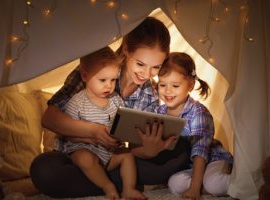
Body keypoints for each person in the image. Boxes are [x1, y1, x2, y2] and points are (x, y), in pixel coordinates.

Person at [30, 17, 190, 198]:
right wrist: (93, 131)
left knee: (181, 150)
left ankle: (109, 183)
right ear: (126, 49)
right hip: (78, 157)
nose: (146, 74)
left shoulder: (150, 94)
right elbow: (50, 118)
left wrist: (148, 151)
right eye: (140, 64)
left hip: (116, 159)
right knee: (44, 170)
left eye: (156, 67)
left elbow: (131, 148)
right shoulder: (96, 67)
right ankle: (119, 183)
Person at [62, 46, 146, 199]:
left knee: (127, 154)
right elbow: (69, 135)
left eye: (113, 80)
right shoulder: (77, 102)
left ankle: (129, 189)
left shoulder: (115, 100)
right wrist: (90, 138)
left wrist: (123, 141)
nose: (109, 85)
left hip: (108, 153)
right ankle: (108, 186)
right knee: (85, 158)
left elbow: (122, 128)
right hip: (84, 151)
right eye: (102, 80)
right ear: (85, 76)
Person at [155, 52, 233, 199]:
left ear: (190, 85)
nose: (167, 91)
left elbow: (200, 151)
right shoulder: (159, 112)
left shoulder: (198, 112)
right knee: (175, 184)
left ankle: (240, 180)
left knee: (214, 184)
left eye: (175, 85)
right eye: (162, 85)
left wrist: (194, 188)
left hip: (212, 160)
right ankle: (203, 184)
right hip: (190, 166)